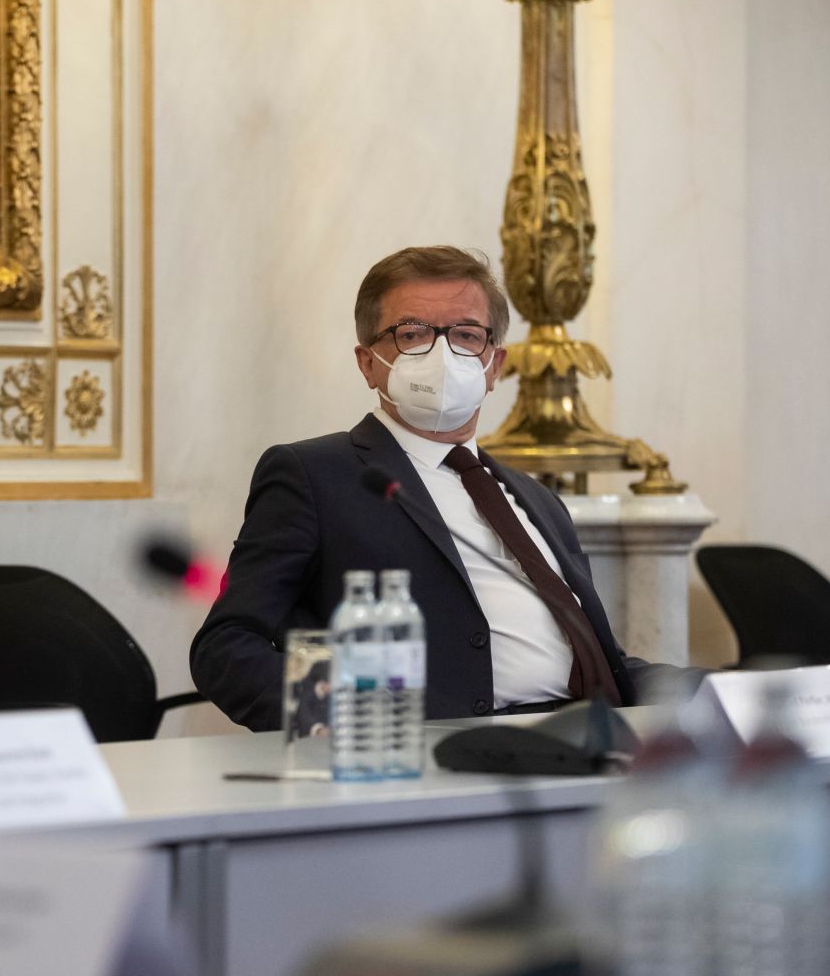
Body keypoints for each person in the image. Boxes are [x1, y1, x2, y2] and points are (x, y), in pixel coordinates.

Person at [191, 245, 695, 731]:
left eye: (467, 335)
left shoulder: (537, 500)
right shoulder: (315, 473)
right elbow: (227, 646)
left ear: (494, 365)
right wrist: (345, 718)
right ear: (368, 362)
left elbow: (600, 661)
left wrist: (719, 693)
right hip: (442, 754)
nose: (443, 353)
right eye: (411, 334)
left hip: (591, 744)